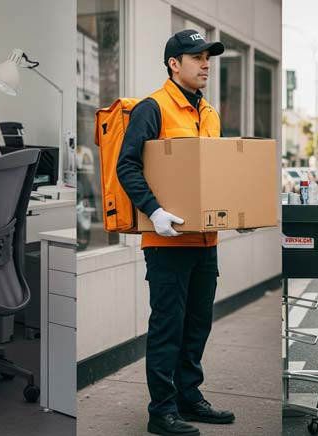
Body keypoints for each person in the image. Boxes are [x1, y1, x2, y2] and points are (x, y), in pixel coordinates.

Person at [117, 29, 235, 436]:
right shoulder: (154, 108)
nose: (205, 64)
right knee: (168, 326)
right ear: (174, 63)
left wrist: (236, 211)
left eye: (208, 57)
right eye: (196, 57)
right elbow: (127, 166)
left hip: (206, 240)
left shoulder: (210, 114)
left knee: (197, 324)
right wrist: (155, 211)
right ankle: (161, 411)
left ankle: (189, 397)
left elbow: (215, 175)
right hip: (166, 241)